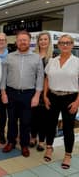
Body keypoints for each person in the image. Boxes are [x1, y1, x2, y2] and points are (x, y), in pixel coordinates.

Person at [0, 30, 44, 157]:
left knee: (26, 121)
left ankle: (24, 145)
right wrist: (3, 93)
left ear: (30, 42)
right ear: (16, 42)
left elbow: (40, 78)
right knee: (12, 120)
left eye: (25, 40)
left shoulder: (37, 58)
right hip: (11, 93)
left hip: (28, 94)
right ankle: (11, 142)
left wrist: (37, 96)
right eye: (20, 40)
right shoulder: (9, 57)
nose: (22, 42)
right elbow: (3, 76)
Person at [43, 34, 79, 169]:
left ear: (72, 45)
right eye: (62, 43)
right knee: (50, 125)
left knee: (68, 128)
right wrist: (45, 96)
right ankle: (49, 147)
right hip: (52, 96)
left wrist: (77, 102)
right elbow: (46, 79)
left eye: (68, 43)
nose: (65, 45)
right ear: (58, 45)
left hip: (70, 98)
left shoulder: (77, 62)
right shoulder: (52, 61)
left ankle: (68, 155)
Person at [29, 31, 53, 152]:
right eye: (41, 39)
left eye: (45, 39)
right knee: (33, 116)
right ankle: (33, 137)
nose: (43, 42)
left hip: (48, 92)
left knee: (44, 117)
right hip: (33, 90)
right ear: (38, 42)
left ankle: (42, 141)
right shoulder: (33, 55)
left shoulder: (53, 57)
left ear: (49, 41)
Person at [0, 33, 9, 144]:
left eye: (3, 40)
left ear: (6, 42)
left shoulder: (11, 55)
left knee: (3, 112)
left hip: (5, 88)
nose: (1, 42)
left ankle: (1, 133)